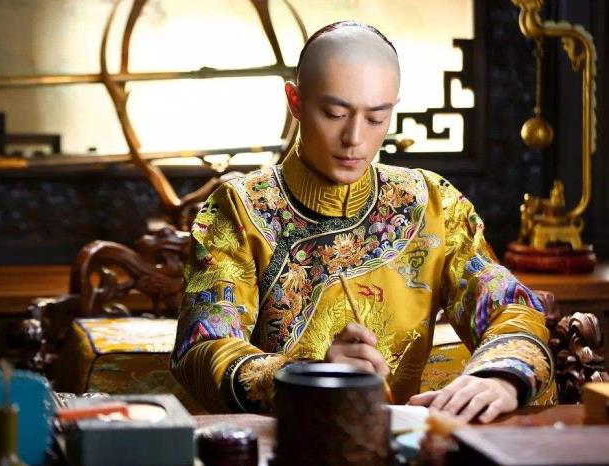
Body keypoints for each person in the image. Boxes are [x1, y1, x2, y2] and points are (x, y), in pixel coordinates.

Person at [171, 21, 554, 423]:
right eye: (334, 113)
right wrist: (308, 376)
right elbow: (202, 348)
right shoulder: (238, 208)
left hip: (400, 438)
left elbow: (508, 306)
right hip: (285, 440)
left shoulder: (432, 204)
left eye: (375, 117)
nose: (354, 138)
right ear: (295, 101)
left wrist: (500, 377)